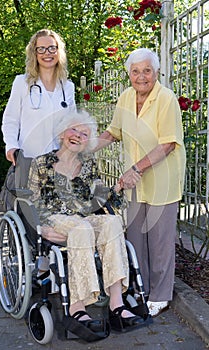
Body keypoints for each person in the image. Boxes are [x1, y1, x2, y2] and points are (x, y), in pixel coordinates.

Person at [27, 110, 144, 333]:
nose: (79, 136)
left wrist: (118, 188)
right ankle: (77, 308)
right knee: (81, 229)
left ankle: (116, 304)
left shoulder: (88, 164)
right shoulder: (41, 163)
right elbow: (32, 200)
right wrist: (43, 228)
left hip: (84, 217)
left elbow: (100, 197)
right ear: (62, 133)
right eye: (74, 130)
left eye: (84, 134)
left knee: (111, 223)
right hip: (55, 218)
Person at [96, 48, 186, 317]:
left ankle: (160, 295)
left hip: (162, 181)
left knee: (160, 242)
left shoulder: (166, 99)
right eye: (135, 71)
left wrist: (136, 167)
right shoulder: (125, 98)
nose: (141, 76)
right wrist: (86, 147)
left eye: (147, 70)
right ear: (129, 74)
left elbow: (168, 144)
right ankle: (141, 289)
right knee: (136, 238)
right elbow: (113, 132)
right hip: (135, 182)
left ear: (156, 72)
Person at [1, 28, 76, 165]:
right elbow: (10, 120)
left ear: (58, 52)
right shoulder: (22, 83)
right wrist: (11, 146)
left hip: (59, 163)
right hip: (28, 161)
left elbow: (72, 125)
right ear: (34, 54)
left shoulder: (68, 87)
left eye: (52, 48)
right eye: (41, 49)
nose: (47, 53)